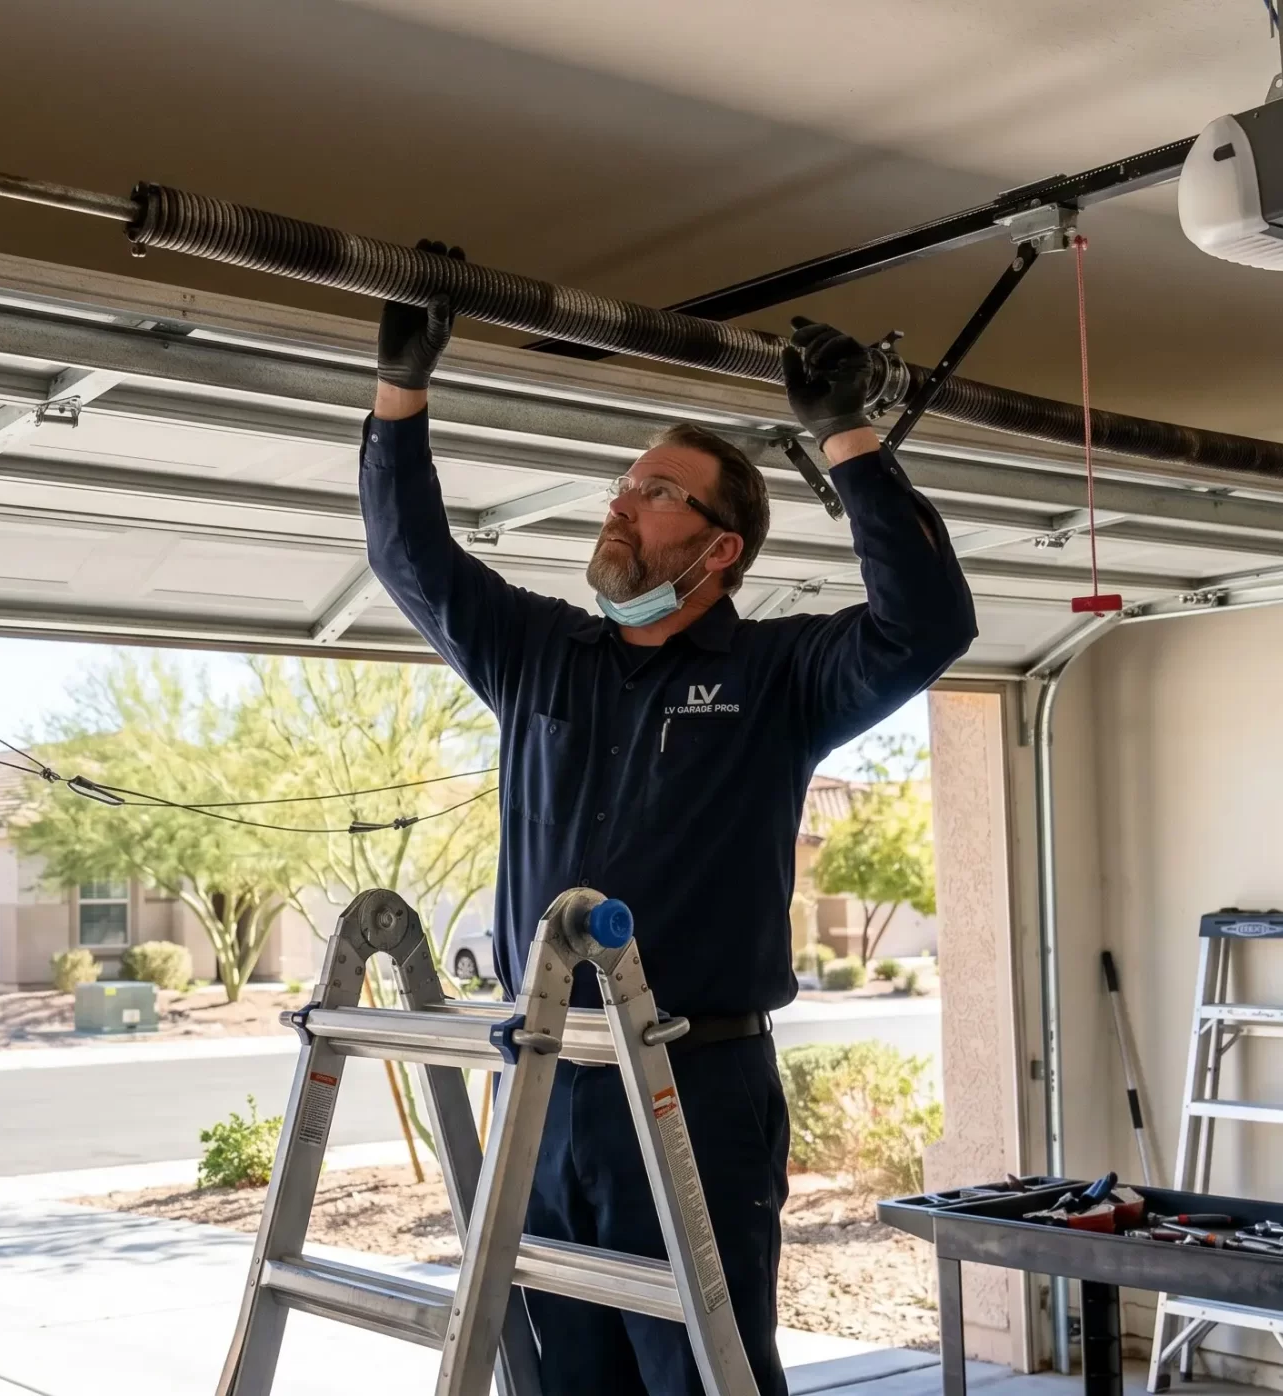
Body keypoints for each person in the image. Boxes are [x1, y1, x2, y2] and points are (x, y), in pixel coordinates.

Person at [358, 260, 977, 1396]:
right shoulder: (540, 652)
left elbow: (928, 620)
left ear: (716, 547)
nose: (618, 503)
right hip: (540, 1079)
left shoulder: (780, 673)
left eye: (652, 491)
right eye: (623, 484)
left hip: (693, 1084)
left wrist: (845, 436)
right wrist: (400, 394)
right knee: (555, 1376)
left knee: (701, 1373)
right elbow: (412, 561)